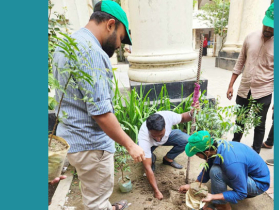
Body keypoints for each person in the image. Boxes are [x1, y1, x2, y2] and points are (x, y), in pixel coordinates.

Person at [52, 1, 145, 210]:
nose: (120, 45)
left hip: (72, 139)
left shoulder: (67, 43)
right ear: (110, 24)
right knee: (97, 203)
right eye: (121, 37)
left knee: (91, 190)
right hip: (91, 145)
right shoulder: (92, 52)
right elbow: (101, 113)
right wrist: (131, 145)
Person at [226, 3, 274, 154]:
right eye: (266, 25)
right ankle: (234, 149)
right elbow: (240, 61)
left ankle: (255, 153)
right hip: (245, 88)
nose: (267, 29)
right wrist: (231, 85)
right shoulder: (250, 37)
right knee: (240, 121)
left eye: (272, 27)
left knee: (259, 125)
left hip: (264, 90)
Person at [179, 131, 270, 210]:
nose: (197, 156)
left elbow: (241, 193)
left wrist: (212, 197)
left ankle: (222, 207)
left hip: (258, 184)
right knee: (214, 168)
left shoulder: (231, 164)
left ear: (206, 152)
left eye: (197, 155)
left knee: (216, 172)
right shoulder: (216, 146)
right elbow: (208, 165)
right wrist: (192, 185)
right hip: (245, 172)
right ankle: (220, 201)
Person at [138, 102, 199, 200]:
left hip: (168, 138)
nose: (158, 139)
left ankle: (168, 159)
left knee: (186, 140)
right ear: (149, 130)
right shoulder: (144, 138)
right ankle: (152, 157)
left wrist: (192, 113)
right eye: (154, 135)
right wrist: (156, 191)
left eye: (160, 135)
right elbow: (147, 168)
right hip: (150, 145)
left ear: (165, 126)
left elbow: (183, 118)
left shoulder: (167, 117)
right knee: (146, 160)